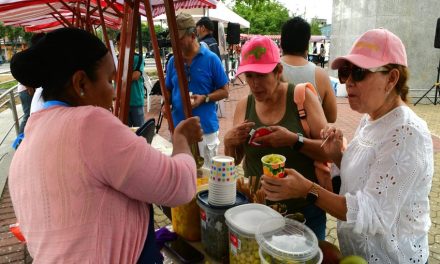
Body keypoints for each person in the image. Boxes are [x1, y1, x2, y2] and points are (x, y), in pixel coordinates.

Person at [9, 27, 203, 263]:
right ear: (81, 82)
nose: (114, 93)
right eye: (110, 80)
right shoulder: (88, 123)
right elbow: (180, 186)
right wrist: (181, 139)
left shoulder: (27, 143)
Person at [261, 28, 433, 263]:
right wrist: (338, 156)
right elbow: (366, 178)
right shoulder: (370, 118)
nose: (348, 82)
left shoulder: (406, 131)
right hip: (356, 254)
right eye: (345, 72)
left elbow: (373, 213)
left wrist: (307, 189)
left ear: (392, 79)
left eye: (360, 73)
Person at [223, 35, 329, 240]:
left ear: (278, 71)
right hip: (257, 211)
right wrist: (229, 142)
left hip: (304, 212)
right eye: (249, 75)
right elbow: (235, 159)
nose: (254, 84)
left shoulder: (301, 98)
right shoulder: (244, 105)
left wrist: (294, 140)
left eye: (261, 75)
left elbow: (329, 151)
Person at [166, 13, 229, 169]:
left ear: (193, 35)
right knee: (180, 178)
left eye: (178, 38)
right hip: (179, 130)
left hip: (205, 132)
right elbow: (168, 89)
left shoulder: (211, 59)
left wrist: (205, 98)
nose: (174, 42)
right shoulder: (173, 61)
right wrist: (165, 105)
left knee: (205, 181)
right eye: (172, 38)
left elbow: (225, 91)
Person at [280, 17, 336, 122]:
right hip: (310, 137)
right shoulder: (320, 74)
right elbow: (332, 117)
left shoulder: (269, 70)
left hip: (273, 137)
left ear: (282, 43)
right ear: (307, 43)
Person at [116, 33, 145, 127]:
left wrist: (119, 77)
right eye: (119, 44)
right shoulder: (116, 59)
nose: (121, 46)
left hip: (136, 101)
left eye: (124, 43)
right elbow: (112, 77)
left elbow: (135, 75)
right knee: (125, 132)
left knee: (140, 132)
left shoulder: (138, 58)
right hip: (122, 102)